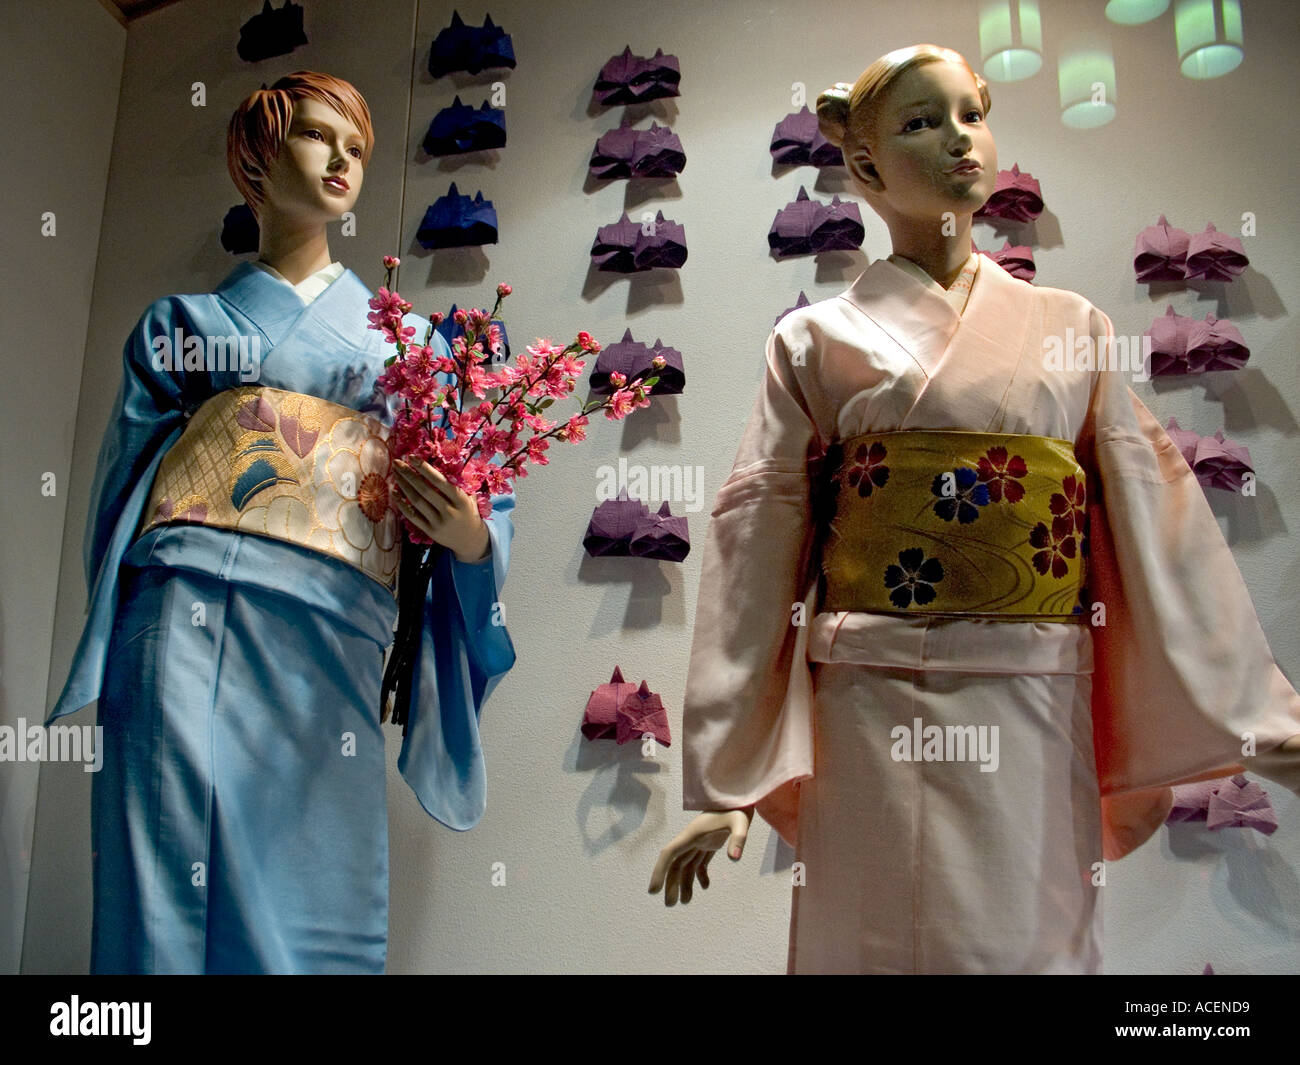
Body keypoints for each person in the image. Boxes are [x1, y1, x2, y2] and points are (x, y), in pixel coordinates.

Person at [649, 44, 1300, 973]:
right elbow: (760, 541)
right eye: (920, 122)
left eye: (971, 114)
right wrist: (726, 776)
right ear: (865, 164)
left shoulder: (1074, 329)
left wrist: (1262, 724)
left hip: (1034, 697)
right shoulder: (814, 340)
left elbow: (1157, 526)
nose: (959, 140)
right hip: (866, 704)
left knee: (1028, 944)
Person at [46, 70, 517, 974]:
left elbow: (480, 493)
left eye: (356, 148)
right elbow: (117, 501)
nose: (341, 159)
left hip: (331, 631)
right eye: (314, 136)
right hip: (178, 611)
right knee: (161, 888)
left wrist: (471, 537)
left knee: (318, 893)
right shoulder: (180, 328)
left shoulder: (412, 346)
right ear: (256, 158)